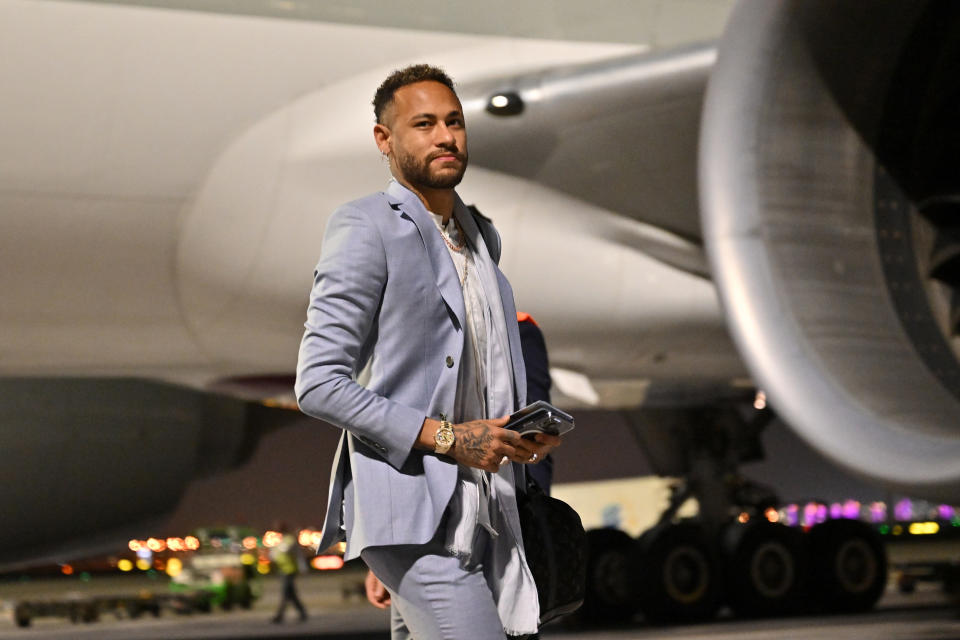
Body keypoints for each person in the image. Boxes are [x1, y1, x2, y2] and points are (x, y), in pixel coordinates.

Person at [295, 64, 561, 640]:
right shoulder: (365, 226)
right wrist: (448, 438)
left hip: (484, 513)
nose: (446, 136)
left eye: (454, 121)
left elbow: (476, 376)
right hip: (412, 516)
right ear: (384, 141)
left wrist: (518, 431)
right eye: (424, 124)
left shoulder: (479, 238)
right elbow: (318, 382)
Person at [269, 522, 307, 624]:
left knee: (286, 593)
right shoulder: (281, 541)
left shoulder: (289, 540)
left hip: (289, 571)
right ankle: (302, 613)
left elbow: (297, 554)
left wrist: (302, 567)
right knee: (291, 594)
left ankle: (279, 615)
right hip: (282, 570)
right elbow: (274, 555)